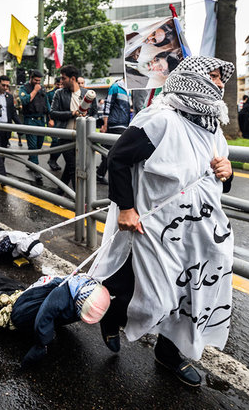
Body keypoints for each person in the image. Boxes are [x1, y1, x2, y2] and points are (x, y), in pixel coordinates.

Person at [88, 56, 235, 387]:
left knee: (190, 294)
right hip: (156, 227)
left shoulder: (213, 129)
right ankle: (111, 314)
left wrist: (228, 173)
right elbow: (119, 159)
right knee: (154, 294)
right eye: (212, 76)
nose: (220, 83)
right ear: (193, 80)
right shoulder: (160, 119)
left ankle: (170, 354)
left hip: (199, 232)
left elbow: (216, 180)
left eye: (220, 77)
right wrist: (126, 209)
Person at [0, 262, 111, 369]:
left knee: (6, 285)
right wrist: (42, 345)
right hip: (15, 311)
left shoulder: (83, 286)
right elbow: (44, 317)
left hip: (27, 296)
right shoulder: (60, 298)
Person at [50, 65, 97, 192]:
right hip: (66, 136)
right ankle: (81, 200)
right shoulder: (59, 93)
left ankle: (60, 192)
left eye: (64, 78)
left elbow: (95, 114)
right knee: (74, 167)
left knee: (71, 167)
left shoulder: (88, 94)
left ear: (73, 79)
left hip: (83, 137)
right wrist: (72, 113)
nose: (61, 81)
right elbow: (53, 113)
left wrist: (88, 118)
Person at [18, 70, 50, 183]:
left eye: (39, 81)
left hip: (41, 120)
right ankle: (36, 169)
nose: (37, 83)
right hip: (30, 120)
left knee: (39, 145)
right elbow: (25, 100)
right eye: (36, 80)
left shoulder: (42, 88)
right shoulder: (24, 88)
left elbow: (47, 103)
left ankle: (31, 161)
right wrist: (35, 91)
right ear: (31, 78)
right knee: (33, 146)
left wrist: (50, 118)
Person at [98, 77, 130, 184]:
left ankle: (100, 173)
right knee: (114, 152)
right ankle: (111, 177)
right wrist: (105, 124)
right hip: (115, 124)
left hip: (124, 125)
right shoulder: (116, 87)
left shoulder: (129, 90)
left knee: (110, 151)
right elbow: (108, 105)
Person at [46, 77, 62, 171]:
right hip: (54, 120)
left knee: (62, 142)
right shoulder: (50, 94)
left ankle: (54, 160)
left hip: (62, 120)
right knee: (55, 141)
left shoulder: (65, 92)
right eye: (58, 84)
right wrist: (50, 119)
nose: (59, 86)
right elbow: (49, 109)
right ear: (55, 84)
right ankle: (52, 160)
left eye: (61, 84)